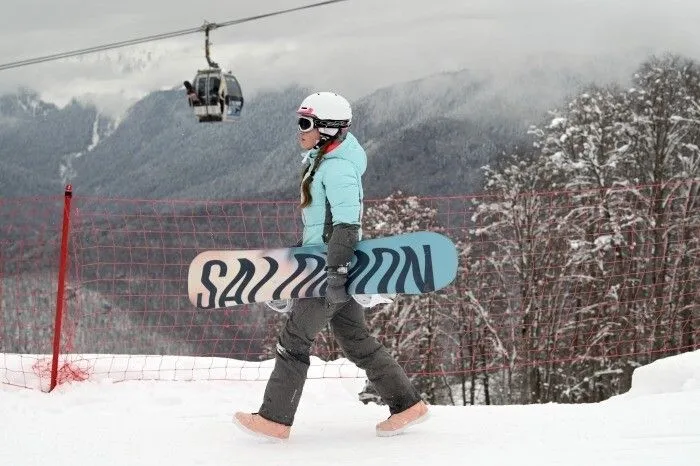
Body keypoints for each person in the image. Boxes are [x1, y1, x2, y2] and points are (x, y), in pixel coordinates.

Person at [233, 92, 429, 441]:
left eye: (305, 123)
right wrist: (295, 266)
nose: (299, 130)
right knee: (355, 340)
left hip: (329, 270)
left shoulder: (337, 168)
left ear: (327, 130)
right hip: (326, 265)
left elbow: (346, 225)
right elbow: (320, 227)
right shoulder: (321, 162)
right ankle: (407, 405)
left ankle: (274, 419)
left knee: (294, 340)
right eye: (299, 121)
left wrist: (334, 273)